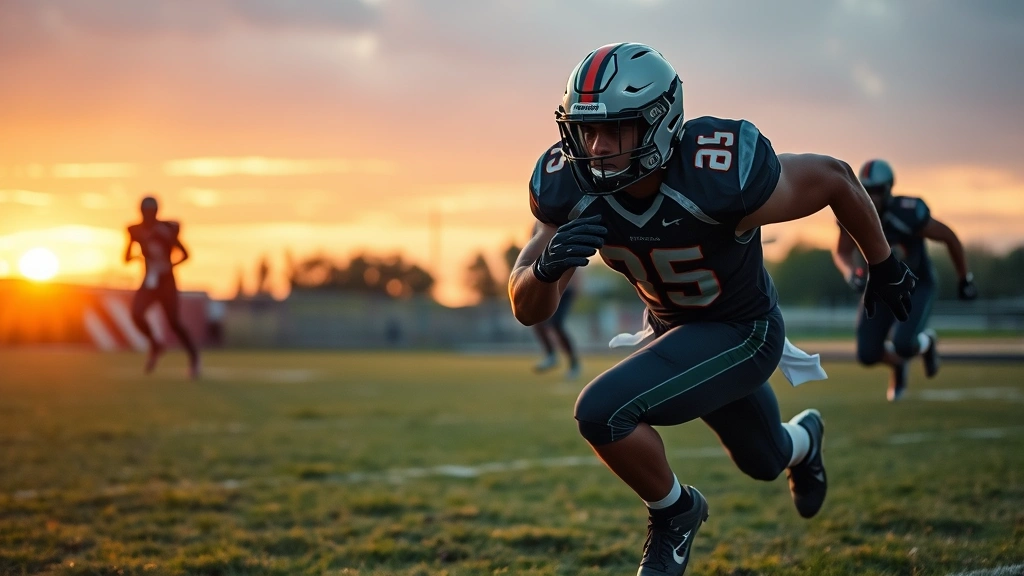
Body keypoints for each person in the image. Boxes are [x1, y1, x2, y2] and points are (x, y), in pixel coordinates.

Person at [508, 43, 917, 576]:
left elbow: (835, 177)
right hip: (674, 335)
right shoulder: (570, 186)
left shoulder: (716, 171)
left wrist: (884, 265)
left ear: (658, 123)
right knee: (764, 459)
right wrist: (543, 272)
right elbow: (527, 307)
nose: (598, 146)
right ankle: (805, 441)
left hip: (742, 331)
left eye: (617, 129)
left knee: (601, 411)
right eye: (587, 130)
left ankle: (676, 513)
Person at [832, 159, 977, 401]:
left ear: (888, 189)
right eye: (867, 190)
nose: (872, 197)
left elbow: (949, 237)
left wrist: (965, 278)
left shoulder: (907, 213)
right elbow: (843, 252)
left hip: (916, 285)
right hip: (880, 287)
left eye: (877, 191)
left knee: (903, 343)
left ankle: (927, 343)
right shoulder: (854, 213)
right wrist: (850, 272)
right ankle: (898, 366)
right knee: (867, 353)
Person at [124, 195, 201, 379]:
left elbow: (185, 254)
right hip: (150, 280)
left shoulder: (167, 230)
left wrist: (169, 266)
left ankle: (194, 357)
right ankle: (155, 344)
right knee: (136, 314)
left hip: (166, 281)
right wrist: (138, 257)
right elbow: (126, 257)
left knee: (174, 322)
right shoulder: (136, 231)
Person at [530, 222, 584, 380]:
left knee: (556, 324)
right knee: (535, 320)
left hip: (566, 288)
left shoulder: (562, 224)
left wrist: (575, 285)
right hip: (548, 285)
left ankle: (574, 364)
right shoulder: (539, 226)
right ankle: (551, 355)